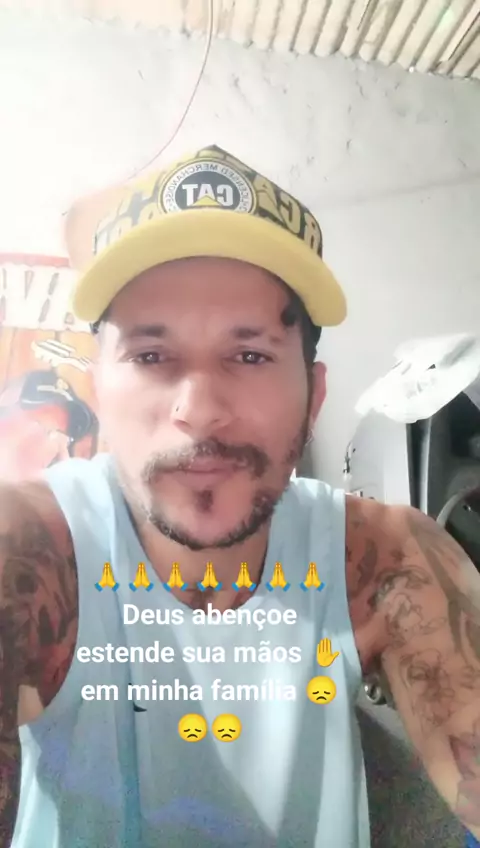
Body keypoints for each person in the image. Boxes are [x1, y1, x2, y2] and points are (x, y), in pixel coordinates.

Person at [1, 143, 479, 848]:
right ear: (99, 389)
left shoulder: (383, 558)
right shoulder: (32, 548)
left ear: (314, 397)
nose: (198, 410)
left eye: (250, 355)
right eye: (151, 356)